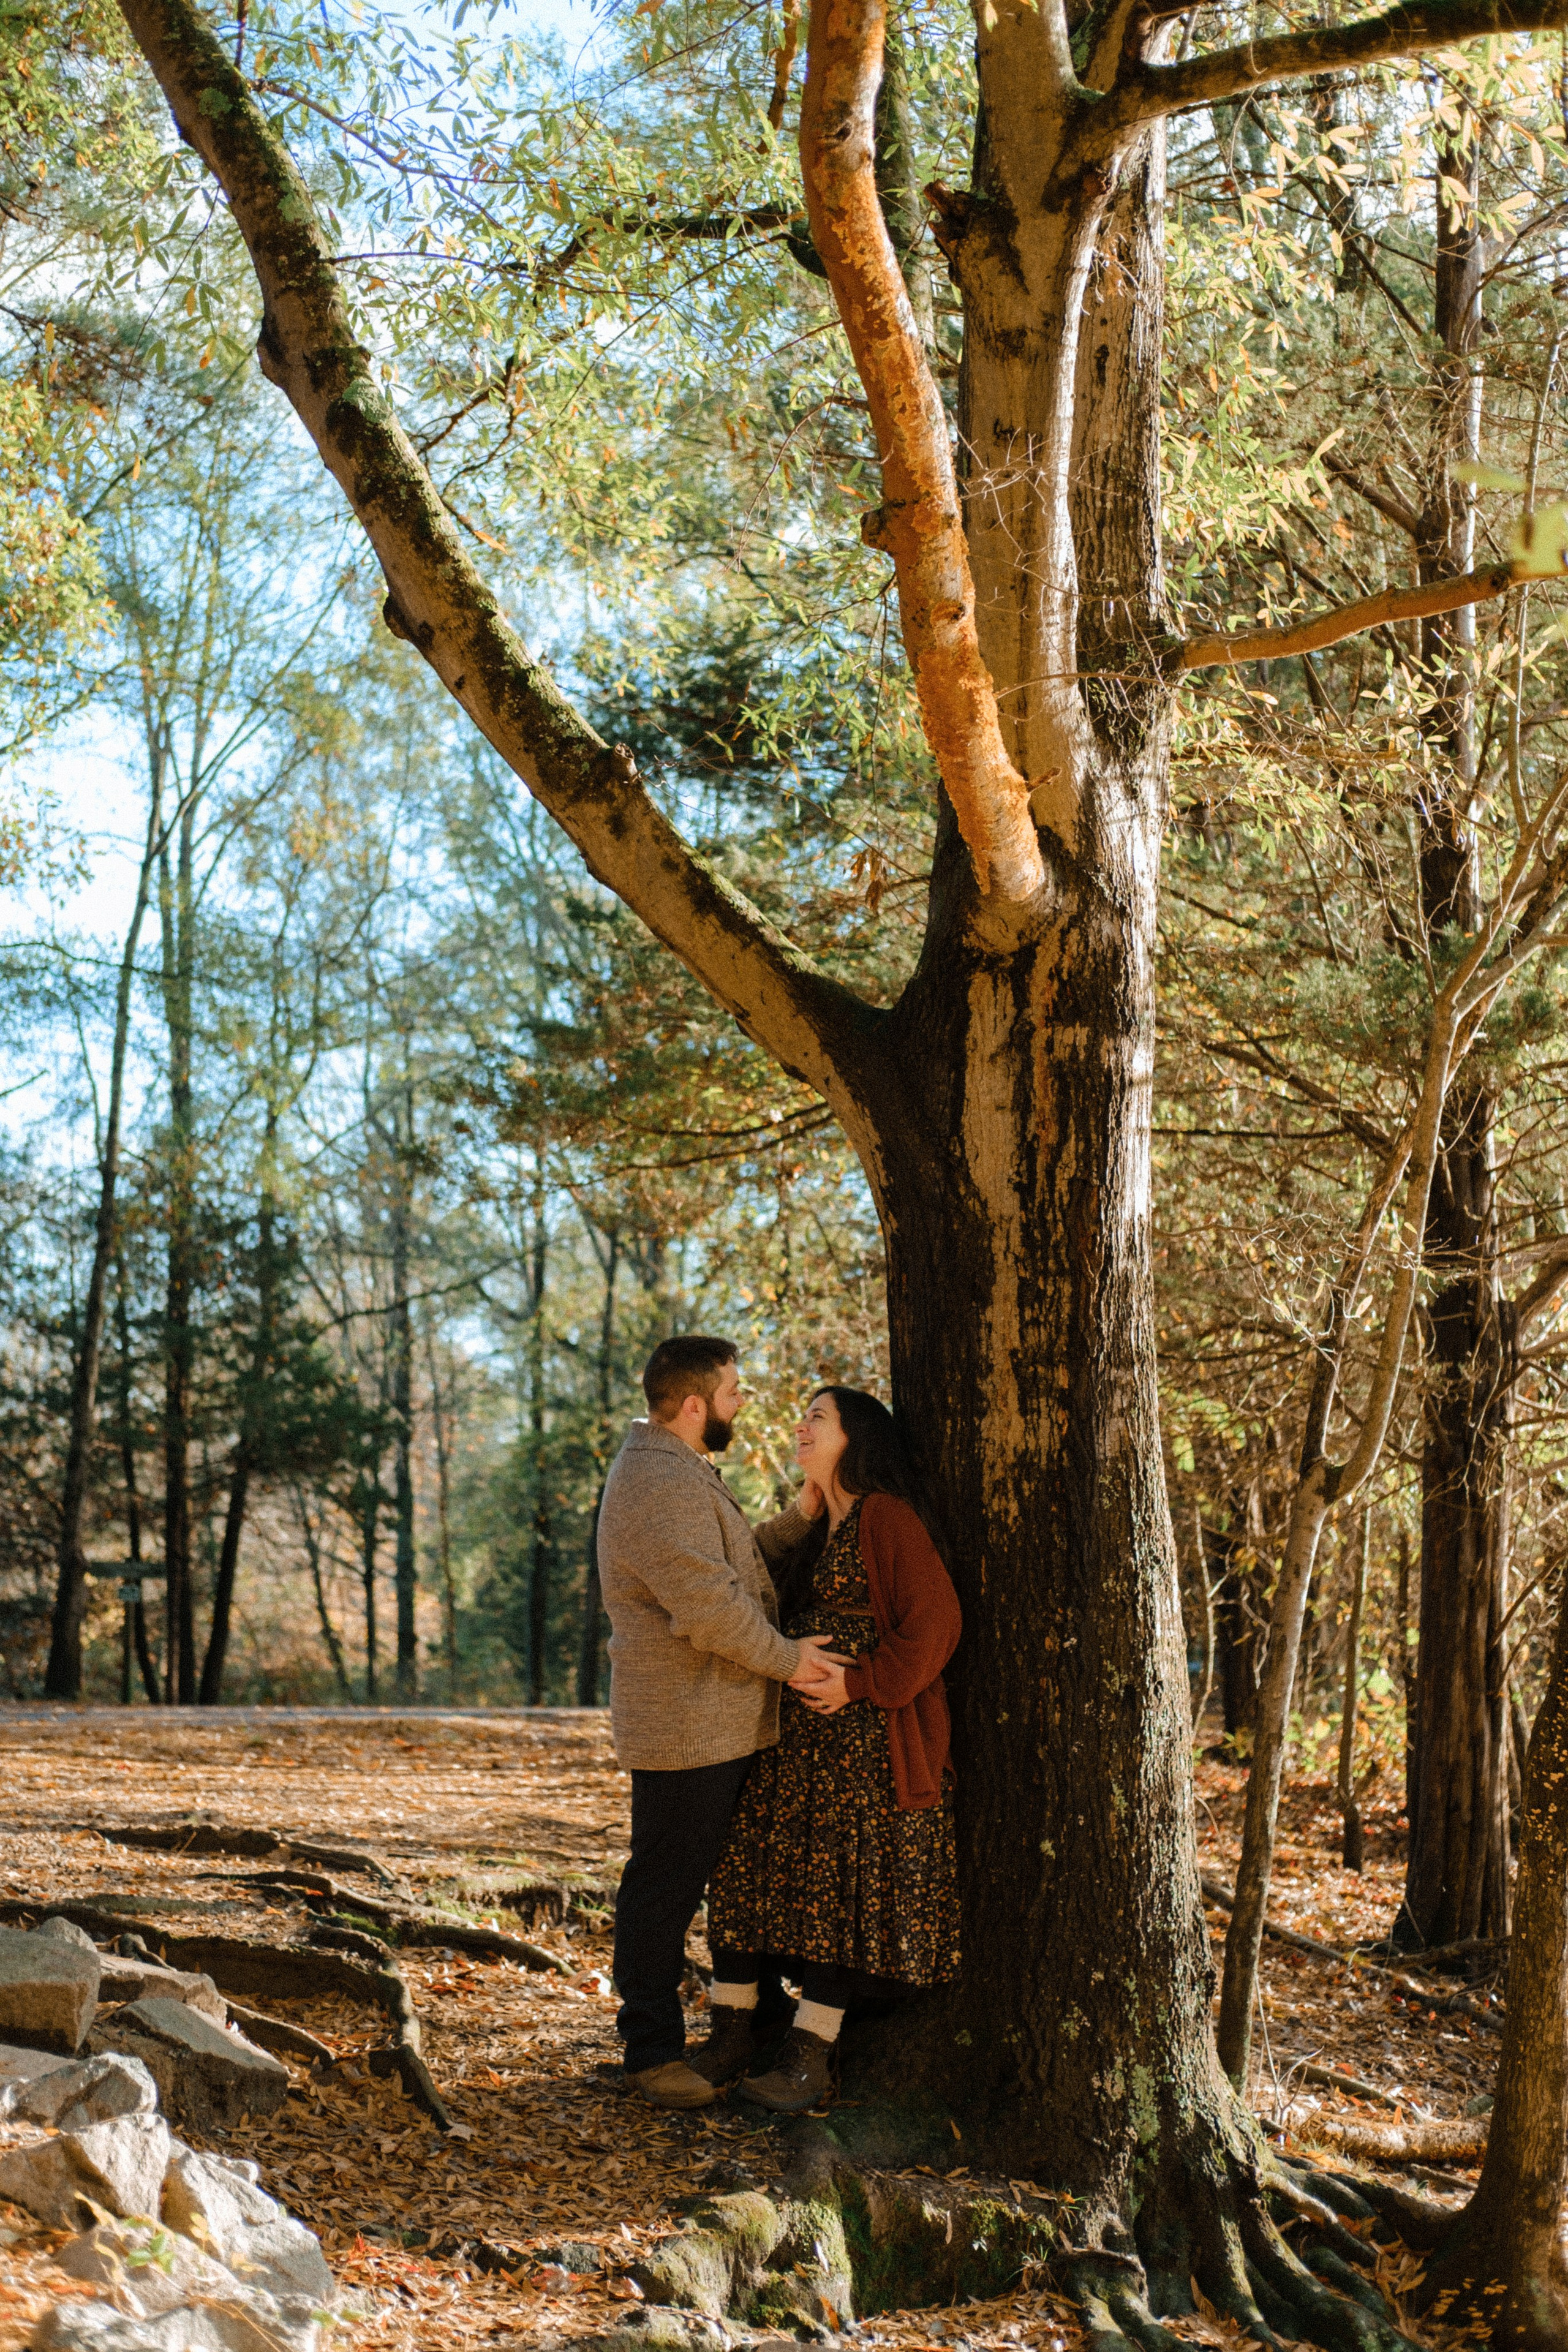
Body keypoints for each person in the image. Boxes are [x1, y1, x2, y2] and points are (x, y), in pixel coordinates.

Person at [597, 1335, 843, 2110]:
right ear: (696, 1404)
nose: (743, 1403)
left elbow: (727, 1572)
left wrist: (798, 1518)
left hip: (713, 1720)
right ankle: (650, 2052)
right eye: (734, 1390)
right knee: (662, 1888)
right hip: (686, 1725)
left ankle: (735, 2026)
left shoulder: (675, 1470)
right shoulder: (657, 1481)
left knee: (681, 1881)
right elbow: (710, 1609)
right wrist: (793, 1663)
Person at [702, 1386, 962, 2114]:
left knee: (836, 1895)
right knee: (747, 1869)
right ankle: (731, 2036)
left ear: (858, 1438)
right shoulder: (820, 1530)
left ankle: (810, 2061)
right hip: (796, 1750)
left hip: (867, 1748)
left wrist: (863, 1685)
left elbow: (936, 1623)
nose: (800, 1425)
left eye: (817, 1417)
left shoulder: (887, 1517)